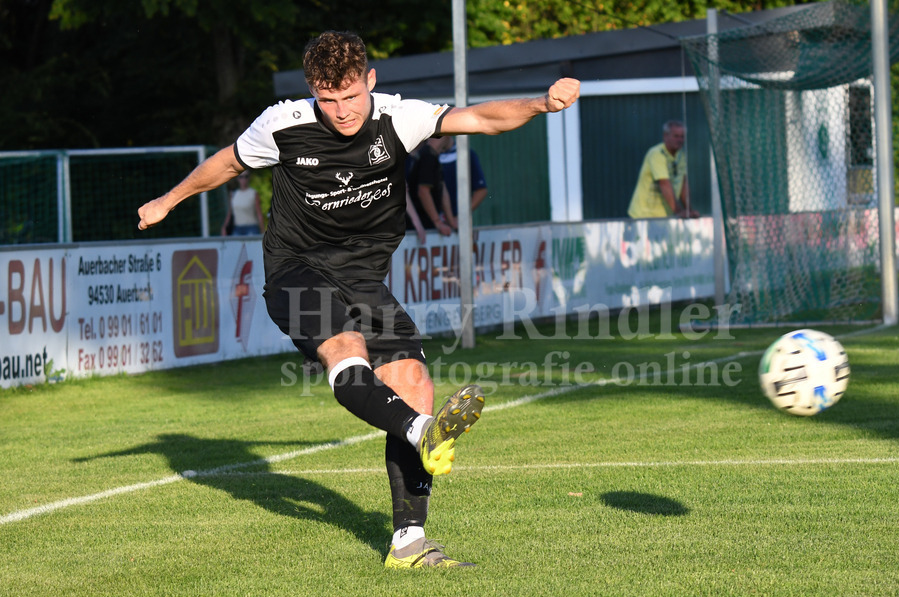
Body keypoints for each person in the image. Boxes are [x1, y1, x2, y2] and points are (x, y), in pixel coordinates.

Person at [137, 30, 580, 569]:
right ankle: (422, 431)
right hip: (295, 270)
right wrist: (168, 199)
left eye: (351, 96)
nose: (342, 111)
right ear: (311, 92)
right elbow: (228, 164)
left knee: (413, 384)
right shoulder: (283, 125)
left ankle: (408, 544)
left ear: (371, 80)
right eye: (328, 99)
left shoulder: (399, 119)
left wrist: (541, 103)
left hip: (365, 277)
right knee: (344, 348)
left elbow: (482, 118)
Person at [628, 120, 698, 219]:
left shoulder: (681, 155)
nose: (680, 140)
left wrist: (689, 210)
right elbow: (664, 183)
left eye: (682, 136)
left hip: (664, 216)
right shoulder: (657, 154)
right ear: (665, 136)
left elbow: (683, 184)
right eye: (676, 136)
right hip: (644, 215)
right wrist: (679, 211)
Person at [407, 137, 456, 237]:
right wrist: (438, 222)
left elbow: (443, 190)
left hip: (428, 227)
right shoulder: (427, 156)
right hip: (420, 229)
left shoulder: (433, 155)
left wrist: (451, 221)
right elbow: (423, 191)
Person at [437, 135, 488, 218]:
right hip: (430, 226)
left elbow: (481, 190)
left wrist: (461, 216)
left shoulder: (467, 154)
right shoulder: (425, 156)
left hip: (457, 225)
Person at [220, 171, 265, 236]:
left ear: (249, 178)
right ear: (237, 178)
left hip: (251, 228)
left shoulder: (253, 193)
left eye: (246, 177)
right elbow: (230, 213)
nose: (243, 179)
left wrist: (262, 231)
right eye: (241, 177)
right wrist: (224, 227)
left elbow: (259, 213)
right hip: (237, 228)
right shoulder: (233, 194)